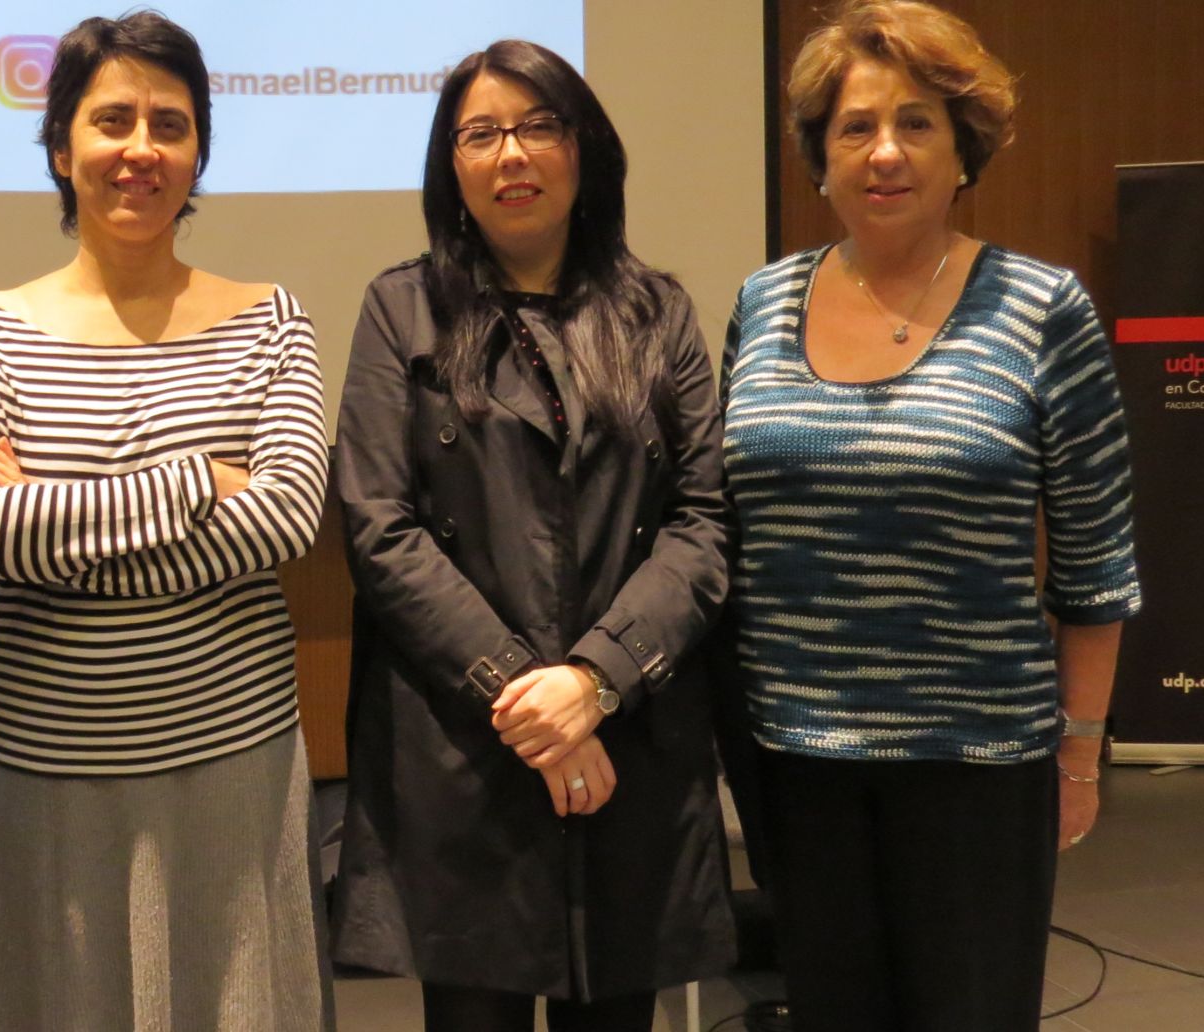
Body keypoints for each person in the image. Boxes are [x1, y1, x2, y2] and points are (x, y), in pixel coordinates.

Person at [721, 2, 1143, 1029]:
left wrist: (1079, 754)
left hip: (977, 769)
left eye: (915, 123)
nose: (884, 152)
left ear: (963, 148)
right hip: (796, 763)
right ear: (818, 157)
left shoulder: (1041, 308)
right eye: (854, 127)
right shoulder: (761, 303)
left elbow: (1095, 564)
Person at [0, 12, 330, 1031]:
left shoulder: (271, 318)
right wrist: (201, 480)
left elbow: (289, 515)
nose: (141, 149)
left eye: (171, 124)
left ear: (199, 153)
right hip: (52, 771)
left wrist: (55, 531)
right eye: (111, 120)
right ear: (60, 148)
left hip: (233, 759)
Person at [331, 39, 736, 1032]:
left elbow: (703, 521)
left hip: (627, 741)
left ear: (584, 147)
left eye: (537, 126)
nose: (510, 154)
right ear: (452, 166)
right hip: (465, 750)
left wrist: (593, 683)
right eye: (481, 134)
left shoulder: (657, 314)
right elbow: (380, 526)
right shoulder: (401, 309)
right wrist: (527, 702)